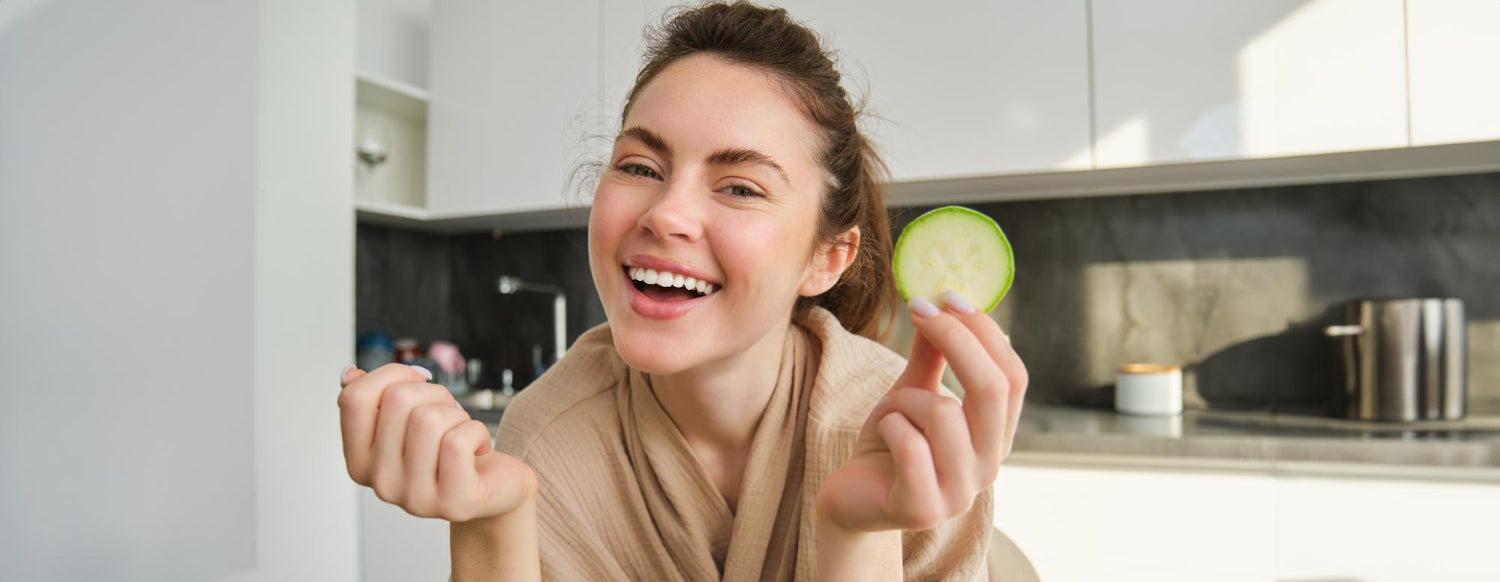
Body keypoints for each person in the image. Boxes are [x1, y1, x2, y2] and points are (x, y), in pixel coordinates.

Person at [337, 2, 1031, 580]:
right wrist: (489, 527)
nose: (665, 213)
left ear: (827, 258)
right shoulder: (551, 438)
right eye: (640, 166)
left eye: (739, 186)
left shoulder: (906, 437)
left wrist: (858, 533)